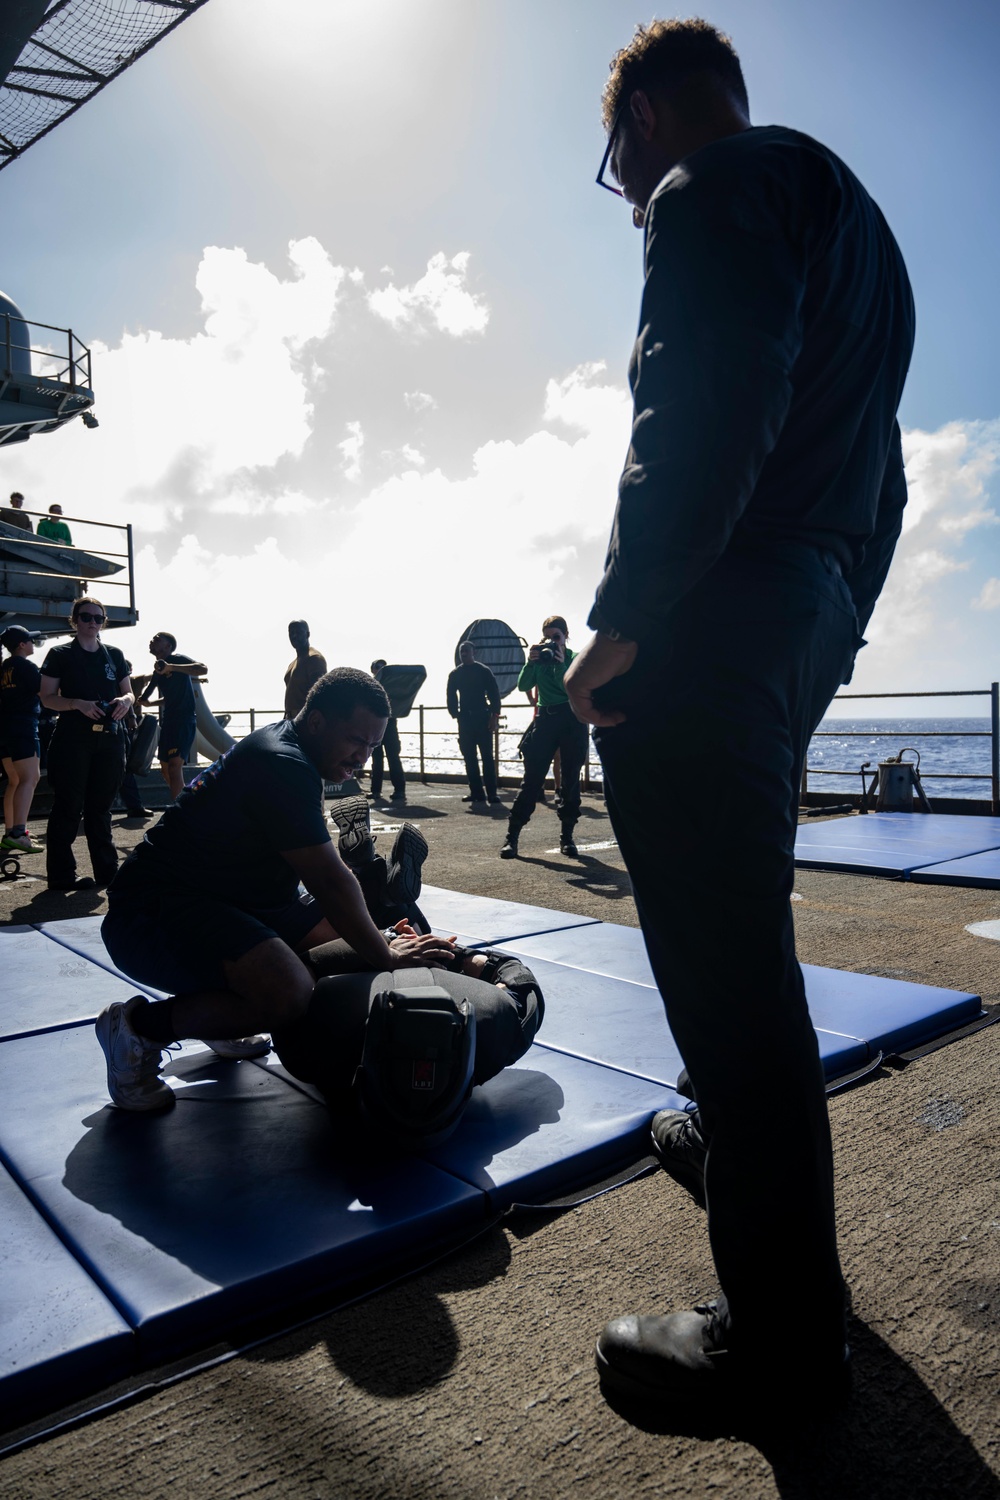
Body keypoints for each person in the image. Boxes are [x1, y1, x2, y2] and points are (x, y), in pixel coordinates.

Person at [564, 20, 914, 1418]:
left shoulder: (711, 189)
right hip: (805, 608)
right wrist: (821, 640)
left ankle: (777, 1342)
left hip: (716, 615)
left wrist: (626, 617)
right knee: (741, 946)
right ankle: (733, 1140)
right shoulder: (855, 224)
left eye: (618, 168)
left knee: (726, 971)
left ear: (641, 121)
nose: (630, 197)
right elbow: (878, 472)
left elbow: (699, 404)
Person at [97, 667, 542, 1113]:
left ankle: (222, 1006)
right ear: (317, 722)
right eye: (356, 741)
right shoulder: (283, 762)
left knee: (350, 941)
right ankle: (137, 1028)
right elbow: (329, 879)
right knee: (289, 992)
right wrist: (384, 954)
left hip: (236, 899)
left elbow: (330, 894)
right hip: (150, 913)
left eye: (373, 745)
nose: (363, 757)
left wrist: (378, 937)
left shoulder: (295, 752)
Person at [39, 597, 134, 890]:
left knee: (101, 807)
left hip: (109, 739)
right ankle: (61, 876)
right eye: (86, 617)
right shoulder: (60, 654)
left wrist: (123, 701)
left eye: (98, 618)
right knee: (68, 806)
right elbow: (46, 697)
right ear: (74, 620)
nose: (92, 622)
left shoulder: (114, 655)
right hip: (73, 739)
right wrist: (76, 703)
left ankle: (108, 872)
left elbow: (129, 693)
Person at [500, 616, 588, 859]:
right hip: (546, 720)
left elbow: (571, 688)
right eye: (548, 637)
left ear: (566, 636)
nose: (552, 642)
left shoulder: (575, 658)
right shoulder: (539, 659)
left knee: (570, 781)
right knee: (532, 780)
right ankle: (512, 837)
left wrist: (560, 664)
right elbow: (523, 684)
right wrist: (531, 662)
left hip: (571, 720)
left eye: (556, 637)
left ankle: (567, 838)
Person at [137, 632, 205, 801]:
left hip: (184, 720)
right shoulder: (158, 670)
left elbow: (202, 668)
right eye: (152, 638)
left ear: (168, 646)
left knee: (175, 767)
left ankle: (179, 811)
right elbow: (163, 697)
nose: (152, 640)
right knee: (166, 770)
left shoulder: (177, 659)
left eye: (157, 639)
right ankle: (186, 803)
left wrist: (171, 667)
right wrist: (147, 703)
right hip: (168, 722)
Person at [1, 624, 43, 853]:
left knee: (14, 781)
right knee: (30, 778)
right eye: (30, 641)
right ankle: (18, 832)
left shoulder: (5, 667)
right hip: (24, 727)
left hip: (6, 729)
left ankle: (10, 832)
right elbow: (44, 692)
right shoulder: (26, 666)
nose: (33, 644)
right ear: (22, 645)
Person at [447, 641, 501, 808]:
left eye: (466, 651)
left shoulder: (483, 671)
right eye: (461, 651)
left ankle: (492, 794)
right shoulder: (455, 673)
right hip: (465, 720)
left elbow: (494, 694)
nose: (463, 653)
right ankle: (476, 793)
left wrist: (494, 716)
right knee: (469, 758)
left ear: (473, 652)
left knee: (487, 757)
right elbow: (450, 694)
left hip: (483, 718)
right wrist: (454, 713)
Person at [369, 658, 406, 803]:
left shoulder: (393, 687)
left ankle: (400, 790)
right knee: (376, 759)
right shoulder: (371, 686)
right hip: (376, 726)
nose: (380, 669)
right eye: (378, 667)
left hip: (389, 726)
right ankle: (376, 791)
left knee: (393, 758)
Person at [283, 619, 327, 718]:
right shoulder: (292, 664)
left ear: (307, 634)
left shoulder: (314, 659)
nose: (294, 636)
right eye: (291, 633)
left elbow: (318, 695)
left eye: (298, 632)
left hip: (304, 720)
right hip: (290, 719)